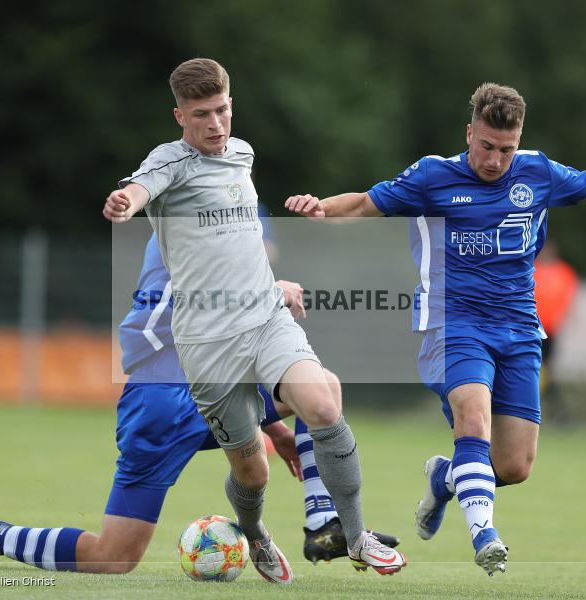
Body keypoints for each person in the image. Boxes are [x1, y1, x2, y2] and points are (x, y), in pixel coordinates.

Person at [285, 82, 586, 575]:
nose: (495, 160)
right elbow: (366, 204)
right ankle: (485, 536)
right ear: (468, 132)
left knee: (514, 467)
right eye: (487, 147)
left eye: (506, 149)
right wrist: (319, 208)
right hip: (453, 321)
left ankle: (445, 480)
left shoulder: (538, 171)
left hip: (519, 327)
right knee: (473, 421)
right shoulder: (433, 176)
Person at [100, 58, 405, 583]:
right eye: (201, 115)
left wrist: (273, 288)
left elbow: (238, 246)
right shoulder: (168, 163)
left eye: (221, 111)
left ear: (231, 105)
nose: (215, 125)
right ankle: (257, 534)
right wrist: (125, 201)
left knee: (322, 401)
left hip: (266, 320)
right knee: (251, 469)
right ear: (180, 117)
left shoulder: (242, 153)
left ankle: (356, 537)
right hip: (206, 344)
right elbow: (142, 188)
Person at [0, 233, 399, 573]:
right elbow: (187, 306)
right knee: (115, 558)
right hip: (160, 401)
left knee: (322, 387)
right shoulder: (182, 226)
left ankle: (323, 523)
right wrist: (269, 291)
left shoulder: (227, 213)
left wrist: (273, 423)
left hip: (215, 380)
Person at [533, 240, 579, 424]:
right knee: (538, 369)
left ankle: (555, 410)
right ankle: (556, 411)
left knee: (546, 370)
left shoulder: (564, 272)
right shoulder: (532, 268)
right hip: (530, 328)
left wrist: (561, 319)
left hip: (550, 330)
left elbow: (567, 299)